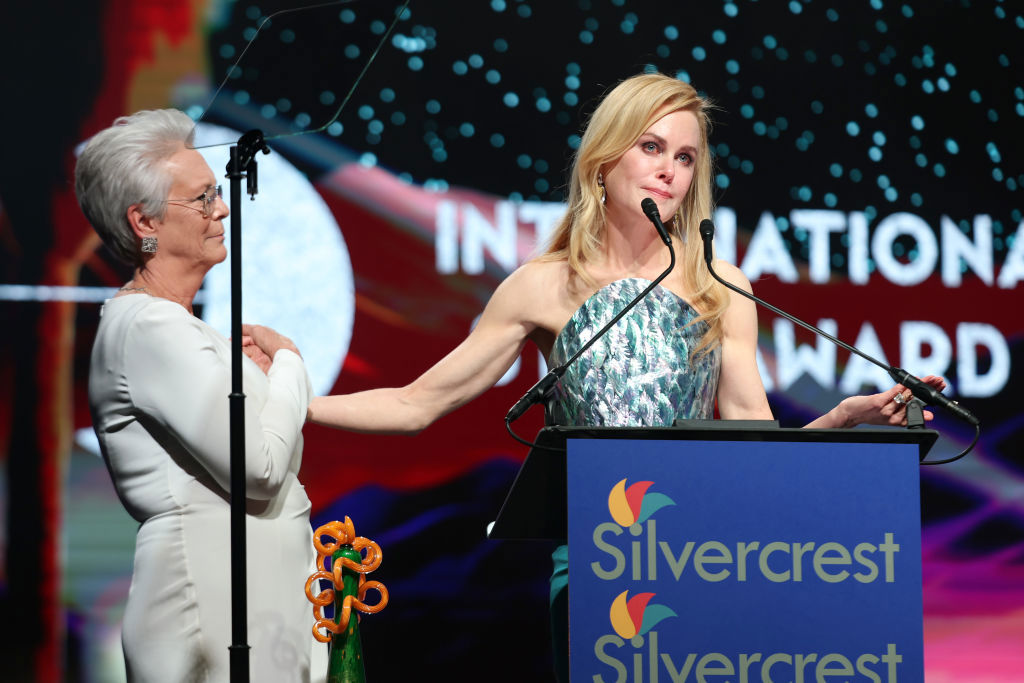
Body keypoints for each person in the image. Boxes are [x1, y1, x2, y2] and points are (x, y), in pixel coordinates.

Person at [307, 73, 944, 679]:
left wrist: (836, 423)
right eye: (652, 146)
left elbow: (755, 443)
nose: (671, 169)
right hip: (597, 563)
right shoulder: (543, 286)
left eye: (687, 157)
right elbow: (417, 403)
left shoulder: (721, 289)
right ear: (605, 159)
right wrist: (293, 403)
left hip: (706, 561)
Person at [77, 109, 323, 682]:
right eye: (204, 197)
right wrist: (288, 363)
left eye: (217, 191)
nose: (224, 208)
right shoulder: (148, 329)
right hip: (210, 596)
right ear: (144, 222)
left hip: (260, 594)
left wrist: (261, 378)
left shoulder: (186, 332)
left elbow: (280, 461)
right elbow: (258, 470)